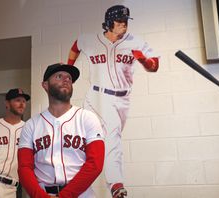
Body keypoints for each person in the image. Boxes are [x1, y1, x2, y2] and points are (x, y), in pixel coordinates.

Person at [67, 5, 159, 198]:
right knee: (112, 136)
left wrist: (142, 60)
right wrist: (68, 68)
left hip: (122, 99)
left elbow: (154, 66)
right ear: (109, 23)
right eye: (119, 22)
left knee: (100, 140)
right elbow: (76, 45)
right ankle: (116, 184)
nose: (124, 26)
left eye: (126, 22)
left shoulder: (135, 42)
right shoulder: (90, 39)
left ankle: (78, 180)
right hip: (97, 96)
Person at [18, 63, 105, 198]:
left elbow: (95, 164)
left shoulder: (87, 118)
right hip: (42, 193)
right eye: (59, 76)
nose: (66, 80)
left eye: (69, 78)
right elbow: (24, 168)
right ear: (45, 85)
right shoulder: (31, 125)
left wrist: (65, 196)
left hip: (80, 194)